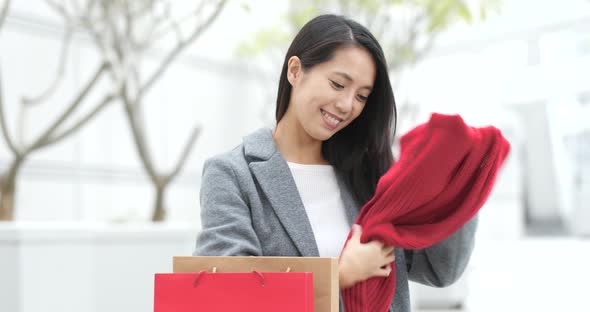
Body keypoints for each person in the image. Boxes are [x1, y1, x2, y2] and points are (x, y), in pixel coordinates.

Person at [194, 14, 477, 312]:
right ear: (295, 71)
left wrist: (464, 179)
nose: (347, 105)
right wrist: (339, 274)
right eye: (338, 84)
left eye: (362, 96)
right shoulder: (232, 174)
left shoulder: (370, 172)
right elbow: (226, 291)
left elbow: (439, 269)